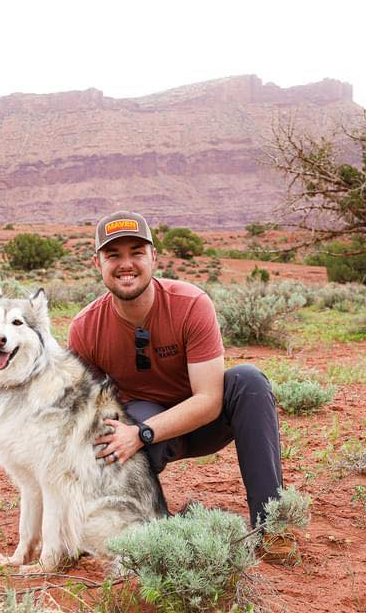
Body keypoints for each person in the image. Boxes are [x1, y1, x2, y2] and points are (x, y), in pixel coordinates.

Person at [68, 210, 283, 530]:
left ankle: (272, 524)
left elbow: (209, 399)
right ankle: (138, 526)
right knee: (109, 429)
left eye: (137, 253)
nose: (126, 264)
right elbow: (86, 415)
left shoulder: (191, 304)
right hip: (144, 427)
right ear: (97, 263)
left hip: (203, 424)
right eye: (113, 255)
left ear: (154, 257)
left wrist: (141, 434)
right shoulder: (85, 329)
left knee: (249, 382)